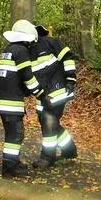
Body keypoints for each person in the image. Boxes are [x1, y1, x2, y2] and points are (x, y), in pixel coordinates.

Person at [0, 19, 48, 177]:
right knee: (16, 135)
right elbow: (27, 77)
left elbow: (13, 76)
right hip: (11, 102)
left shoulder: (9, 49)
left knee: (12, 135)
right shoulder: (22, 51)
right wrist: (40, 93)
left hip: (4, 100)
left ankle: (11, 163)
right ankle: (10, 167)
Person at [32, 24, 78, 168]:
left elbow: (68, 57)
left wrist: (70, 80)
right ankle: (69, 150)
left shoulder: (51, 42)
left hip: (58, 89)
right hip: (43, 94)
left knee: (49, 121)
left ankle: (47, 157)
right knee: (47, 122)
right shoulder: (27, 49)